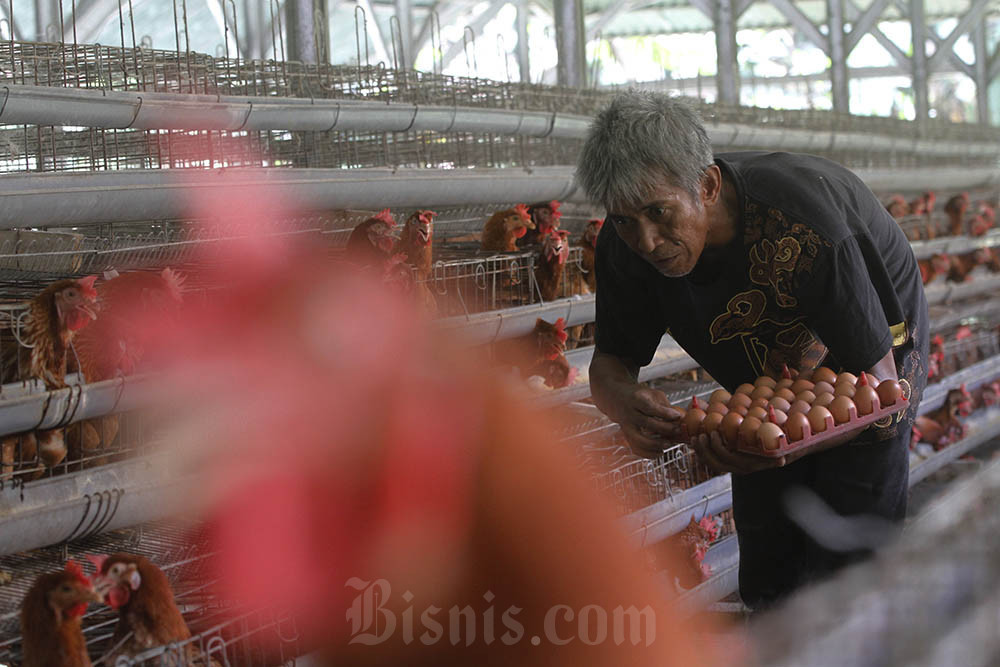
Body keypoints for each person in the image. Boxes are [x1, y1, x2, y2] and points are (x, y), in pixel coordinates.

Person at [576, 90, 928, 610]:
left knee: (854, 551)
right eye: (626, 220)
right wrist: (624, 403)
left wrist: (786, 443)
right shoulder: (625, 245)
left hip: (870, 350)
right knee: (770, 563)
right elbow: (610, 361)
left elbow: (874, 391)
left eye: (660, 213)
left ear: (708, 186)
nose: (647, 240)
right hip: (768, 373)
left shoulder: (803, 228)